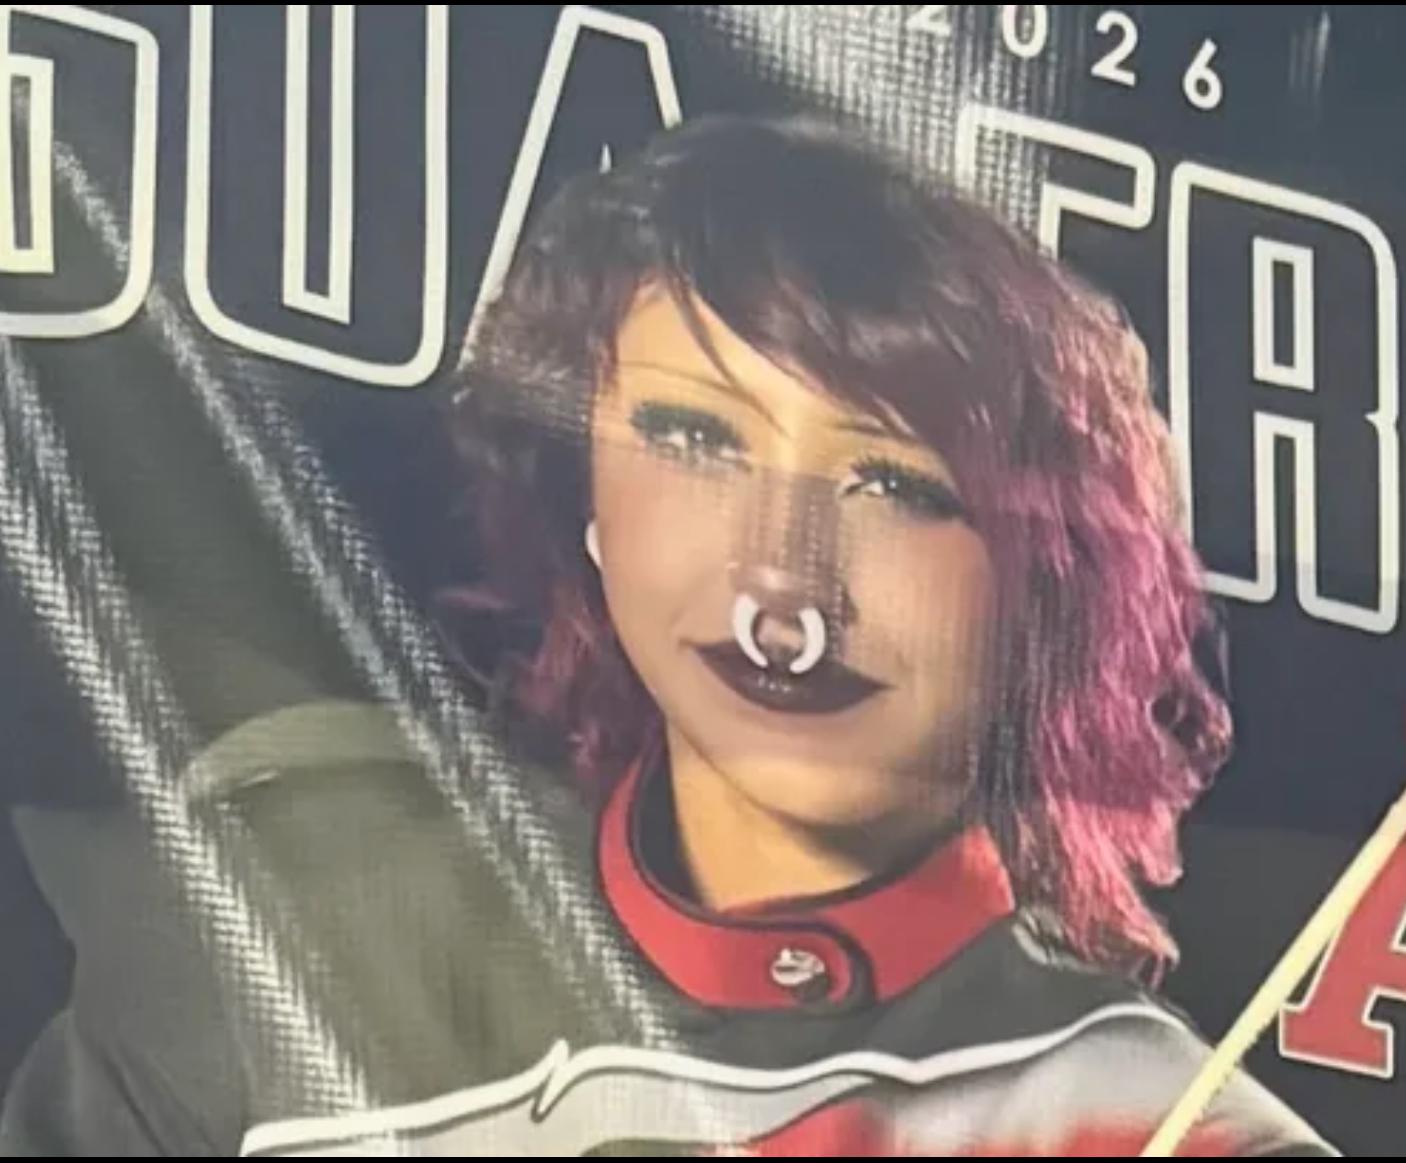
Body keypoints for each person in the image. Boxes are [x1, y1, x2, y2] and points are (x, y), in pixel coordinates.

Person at [0, 115, 1334, 1157]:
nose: (781, 587)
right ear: (583, 496)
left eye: (894, 484)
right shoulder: (288, 918)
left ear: (1046, 586)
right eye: (695, 438)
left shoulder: (1158, 1125)